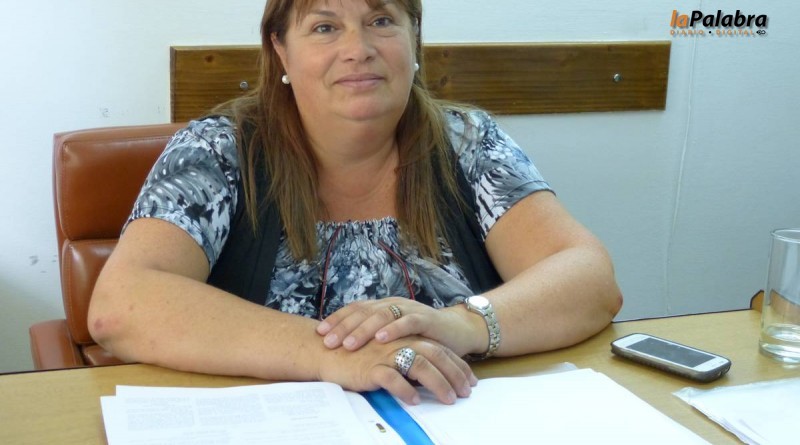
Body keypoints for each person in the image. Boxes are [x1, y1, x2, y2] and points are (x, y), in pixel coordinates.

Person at [88, 0, 623, 406]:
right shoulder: (217, 151)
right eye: (325, 27)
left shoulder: (469, 143)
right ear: (281, 51)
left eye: (381, 21)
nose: (358, 48)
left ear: (414, 39)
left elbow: (589, 279)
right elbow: (121, 306)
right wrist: (331, 355)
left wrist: (462, 325)